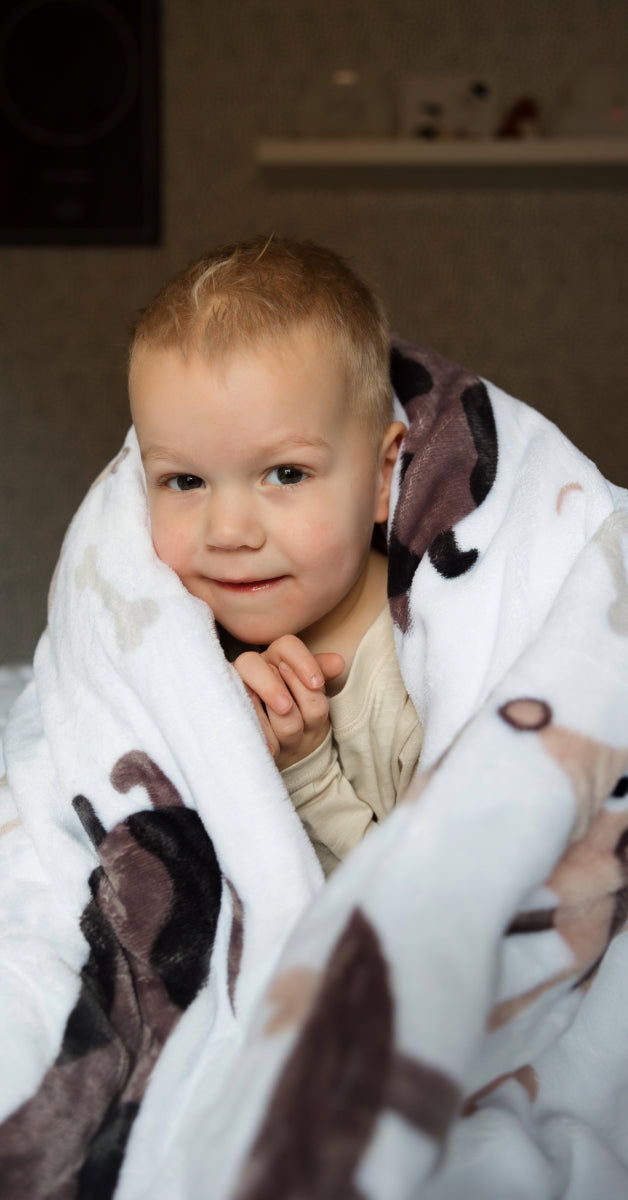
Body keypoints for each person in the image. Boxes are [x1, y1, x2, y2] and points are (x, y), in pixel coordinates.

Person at [129, 234, 423, 875]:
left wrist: (307, 772)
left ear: (380, 476)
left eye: (286, 474)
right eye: (186, 481)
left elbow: (431, 916)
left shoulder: (423, 680)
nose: (229, 532)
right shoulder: (177, 636)